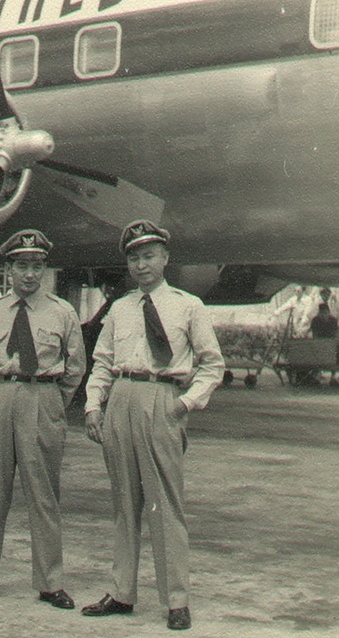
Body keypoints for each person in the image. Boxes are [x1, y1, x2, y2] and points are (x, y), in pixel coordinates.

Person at [81, 220, 224, 631]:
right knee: (124, 505)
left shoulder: (188, 305)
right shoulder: (120, 309)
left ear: (164, 258)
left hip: (163, 399)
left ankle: (176, 600)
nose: (141, 265)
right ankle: (122, 591)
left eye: (148, 256)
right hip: (121, 400)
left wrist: (184, 404)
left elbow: (212, 364)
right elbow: (103, 363)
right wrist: (94, 406)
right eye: (133, 257)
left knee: (165, 506)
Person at [0, 229, 84, 609]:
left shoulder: (62, 311)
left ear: (44, 269)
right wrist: (3, 385)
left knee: (43, 494)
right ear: (8, 269)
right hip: (0, 397)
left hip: (42, 397)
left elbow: (75, 368)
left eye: (37, 266)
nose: (30, 274)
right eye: (22, 266)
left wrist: (50, 401)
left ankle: (50, 582)